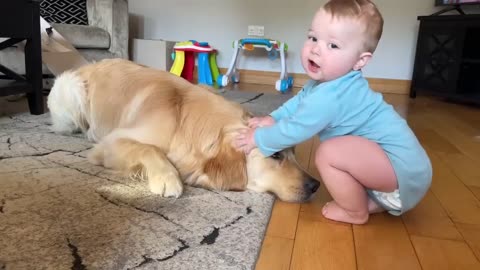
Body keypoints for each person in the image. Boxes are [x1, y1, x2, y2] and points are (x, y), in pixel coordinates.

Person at [234, 0, 432, 224]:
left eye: (333, 45)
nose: (316, 49)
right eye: (313, 37)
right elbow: (298, 103)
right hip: (407, 173)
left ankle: (354, 213)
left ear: (360, 60)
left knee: (328, 154)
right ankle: (378, 201)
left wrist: (258, 138)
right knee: (342, 151)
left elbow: (294, 130)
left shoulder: (332, 96)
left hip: (401, 171)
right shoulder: (327, 85)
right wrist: (273, 117)